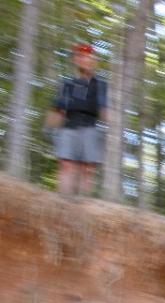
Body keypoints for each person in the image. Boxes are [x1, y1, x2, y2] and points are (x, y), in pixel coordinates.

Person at [46, 43, 108, 196]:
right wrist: (48, 129)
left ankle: (82, 205)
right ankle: (62, 203)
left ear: (93, 60)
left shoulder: (100, 85)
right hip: (68, 126)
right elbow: (57, 109)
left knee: (87, 169)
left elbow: (105, 110)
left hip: (90, 127)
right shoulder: (67, 84)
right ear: (75, 60)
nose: (84, 59)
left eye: (87, 56)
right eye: (80, 56)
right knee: (66, 165)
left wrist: (109, 127)